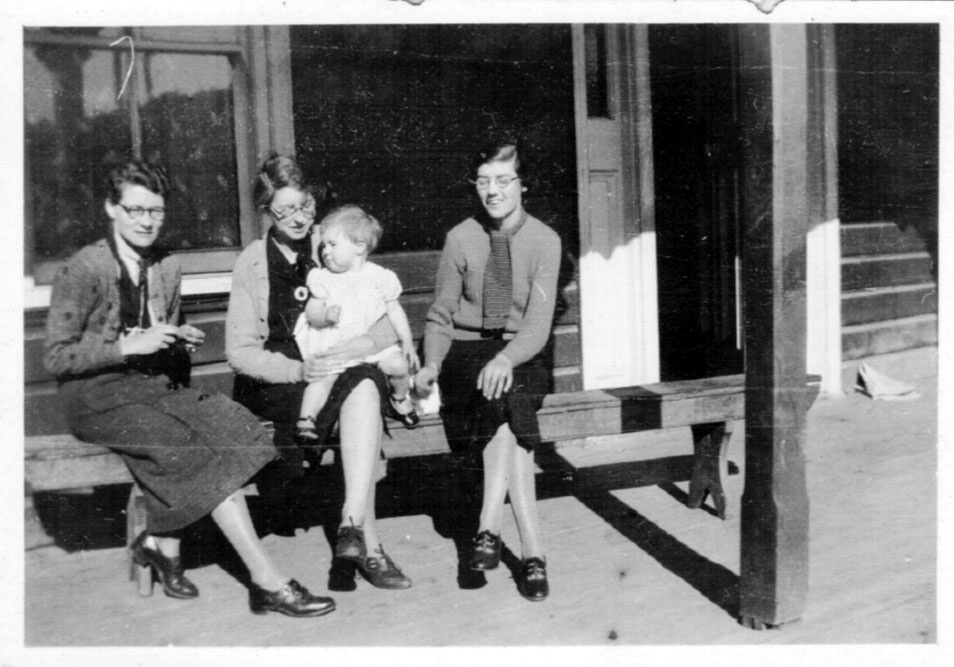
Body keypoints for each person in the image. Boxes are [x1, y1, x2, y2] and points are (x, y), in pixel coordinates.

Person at [43, 159, 335, 618]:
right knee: (188, 448)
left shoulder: (167, 265)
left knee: (233, 426)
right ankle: (267, 581)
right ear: (111, 209)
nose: (146, 221)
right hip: (93, 396)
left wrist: (178, 339)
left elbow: (161, 336)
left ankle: (160, 543)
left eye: (155, 212)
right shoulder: (84, 268)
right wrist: (127, 345)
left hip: (148, 387)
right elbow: (57, 357)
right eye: (135, 210)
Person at [226, 154, 411, 591]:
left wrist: (357, 346)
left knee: (362, 384)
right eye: (283, 210)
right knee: (360, 387)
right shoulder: (251, 263)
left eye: (304, 206)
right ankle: (370, 544)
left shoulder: (332, 243)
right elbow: (239, 352)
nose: (298, 218)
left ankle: (355, 530)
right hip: (280, 378)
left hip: (342, 362)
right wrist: (298, 370)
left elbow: (386, 318)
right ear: (265, 212)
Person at [416, 135, 561, 601]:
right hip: (467, 353)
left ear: (524, 185)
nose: (492, 191)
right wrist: (433, 362)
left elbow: (537, 327)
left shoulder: (545, 241)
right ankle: (533, 554)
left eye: (503, 180)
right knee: (506, 403)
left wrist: (506, 357)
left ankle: (488, 528)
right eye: (483, 181)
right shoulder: (461, 237)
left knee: (508, 393)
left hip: (521, 352)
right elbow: (440, 314)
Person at [293, 204, 421, 441]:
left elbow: (394, 311)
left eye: (333, 245)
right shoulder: (323, 278)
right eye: (323, 245)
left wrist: (407, 341)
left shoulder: (380, 277)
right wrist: (324, 316)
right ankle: (307, 419)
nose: (325, 252)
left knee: (398, 367)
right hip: (337, 344)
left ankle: (400, 399)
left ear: (360, 247)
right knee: (323, 377)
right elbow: (312, 311)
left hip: (374, 346)